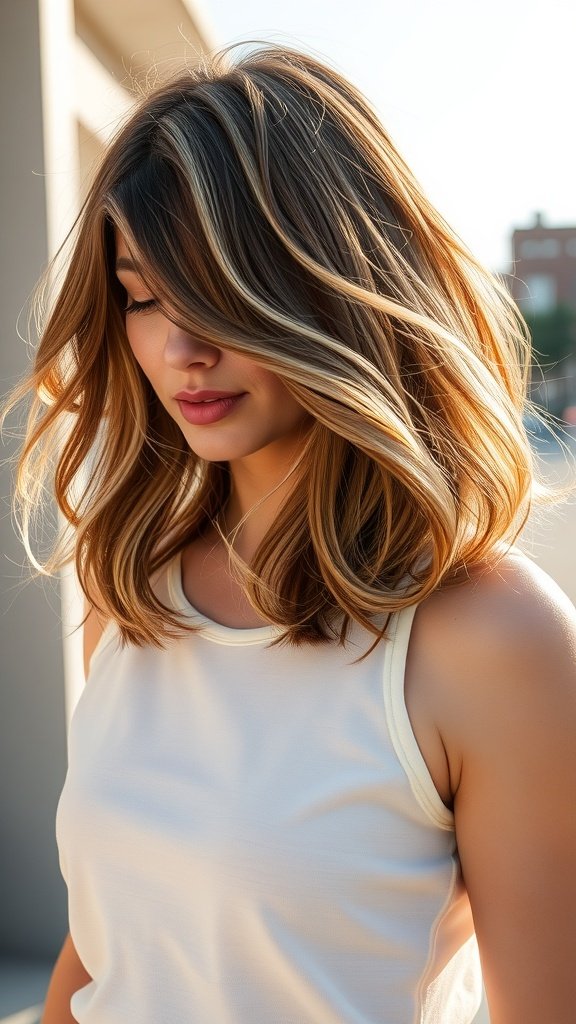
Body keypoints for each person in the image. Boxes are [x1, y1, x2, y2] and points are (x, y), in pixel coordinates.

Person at [7, 42, 576, 1024]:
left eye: (221, 290)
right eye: (143, 296)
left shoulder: (493, 641)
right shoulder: (130, 596)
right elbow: (108, 951)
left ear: (339, 285)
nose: (180, 345)